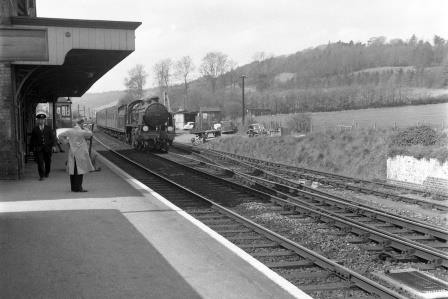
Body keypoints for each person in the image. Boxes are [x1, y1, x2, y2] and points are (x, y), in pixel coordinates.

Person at [58, 119, 95, 192]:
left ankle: (73, 188)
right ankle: (79, 188)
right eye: (82, 124)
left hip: (72, 153)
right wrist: (85, 128)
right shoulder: (82, 131)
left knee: (73, 171)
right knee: (80, 171)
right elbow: (90, 134)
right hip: (80, 154)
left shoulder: (70, 131)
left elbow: (60, 135)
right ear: (80, 124)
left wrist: (66, 142)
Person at [30, 112, 56, 180]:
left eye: (42, 119)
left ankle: (47, 172)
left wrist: (53, 146)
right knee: (40, 162)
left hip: (47, 148)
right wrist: (31, 149)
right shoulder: (35, 129)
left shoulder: (48, 128)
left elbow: (52, 138)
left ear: (44, 120)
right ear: (37, 120)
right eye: (40, 119)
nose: (41, 121)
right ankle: (41, 175)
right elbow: (32, 140)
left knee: (48, 162)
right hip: (39, 149)